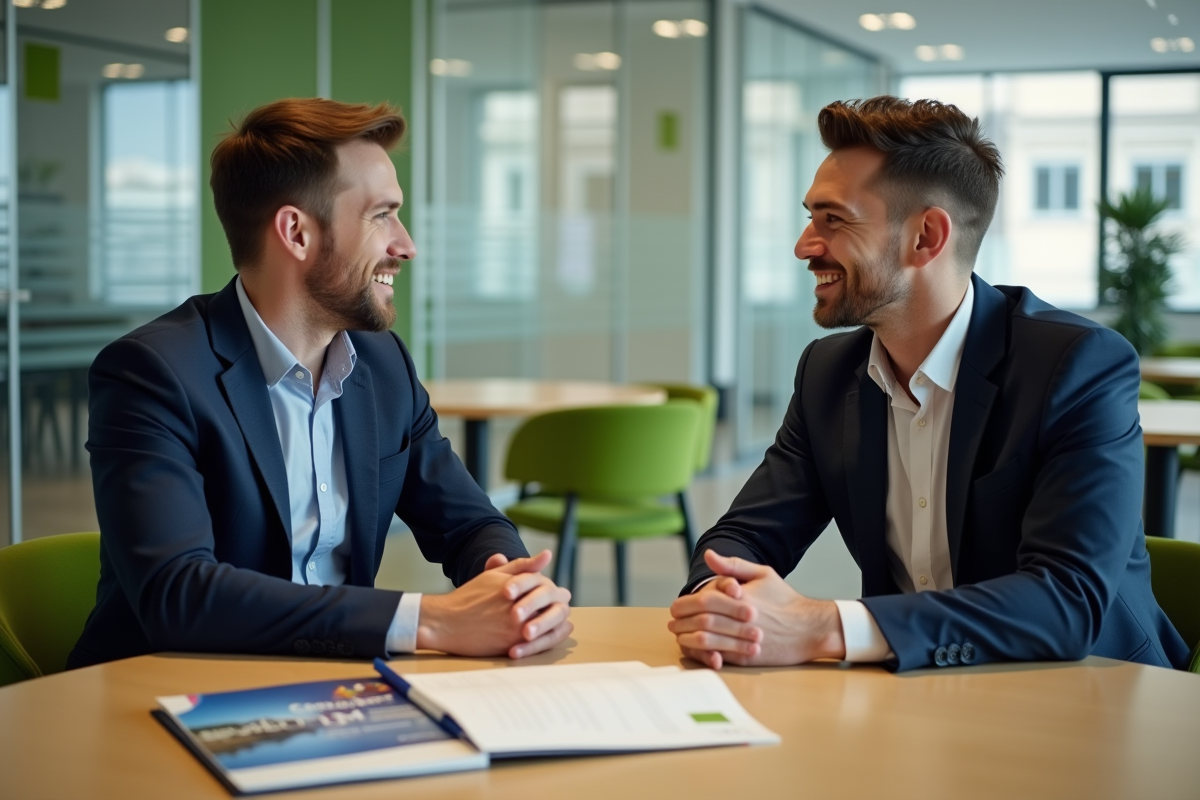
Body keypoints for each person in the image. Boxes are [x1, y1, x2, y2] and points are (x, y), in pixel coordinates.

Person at [669, 96, 1188, 672]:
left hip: (1095, 697)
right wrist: (722, 601)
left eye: (832, 219)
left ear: (926, 237)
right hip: (916, 697)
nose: (804, 245)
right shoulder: (827, 373)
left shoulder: (1075, 365)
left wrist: (823, 626)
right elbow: (746, 533)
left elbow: (1066, 601)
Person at [68, 99, 572, 669]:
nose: (406, 245)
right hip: (167, 694)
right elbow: (178, 594)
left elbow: (471, 523)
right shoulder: (152, 372)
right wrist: (430, 619)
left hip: (337, 687)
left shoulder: (382, 365)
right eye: (382, 215)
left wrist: (512, 588)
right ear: (297, 233)